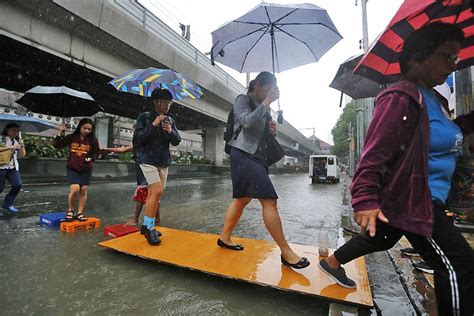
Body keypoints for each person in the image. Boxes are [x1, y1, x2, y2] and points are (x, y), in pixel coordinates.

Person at [319, 23, 474, 316]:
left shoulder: (435, 99)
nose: (452, 65)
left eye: (455, 58)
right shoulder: (400, 97)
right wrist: (364, 198)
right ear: (418, 59)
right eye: (446, 57)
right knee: (460, 267)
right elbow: (373, 154)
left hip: (420, 198)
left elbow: (443, 133)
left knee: (382, 236)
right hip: (416, 200)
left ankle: (331, 263)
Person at [218, 71, 310, 269]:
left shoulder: (263, 106)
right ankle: (286, 252)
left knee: (242, 199)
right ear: (257, 85)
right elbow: (246, 122)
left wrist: (270, 129)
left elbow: (257, 129)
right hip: (243, 154)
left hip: (256, 156)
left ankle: (224, 237)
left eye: (273, 89)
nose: (271, 92)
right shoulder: (242, 99)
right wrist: (267, 102)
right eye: (268, 88)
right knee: (269, 200)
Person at [133, 88, 181, 245]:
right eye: (163, 102)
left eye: (169, 103)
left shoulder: (170, 120)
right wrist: (153, 125)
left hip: (163, 161)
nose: (167, 106)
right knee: (157, 190)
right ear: (155, 102)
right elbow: (137, 140)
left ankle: (146, 226)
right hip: (147, 159)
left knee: (155, 195)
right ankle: (150, 228)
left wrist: (170, 131)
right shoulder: (144, 117)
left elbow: (177, 140)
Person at [53, 119, 101, 222]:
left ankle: (80, 213)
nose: (87, 131)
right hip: (73, 167)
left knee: (83, 190)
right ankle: (70, 210)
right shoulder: (72, 137)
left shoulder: (92, 140)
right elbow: (57, 145)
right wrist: (61, 133)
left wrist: (91, 158)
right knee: (75, 189)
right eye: (85, 128)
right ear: (79, 127)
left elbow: (97, 152)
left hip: (86, 168)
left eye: (89, 129)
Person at [102, 144, 161, 226]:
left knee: (147, 195)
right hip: (143, 175)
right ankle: (155, 219)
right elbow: (122, 149)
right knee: (152, 196)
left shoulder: (150, 146)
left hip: (147, 175)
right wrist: (105, 149)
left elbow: (123, 150)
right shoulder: (139, 145)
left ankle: (136, 219)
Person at [0, 123, 26, 214]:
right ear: (7, 130)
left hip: (12, 167)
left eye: (17, 131)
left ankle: (8, 204)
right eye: (13, 130)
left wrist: (22, 145)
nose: (15, 132)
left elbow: (22, 155)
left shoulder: (16, 141)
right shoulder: (1, 138)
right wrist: (11, 147)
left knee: (17, 185)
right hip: (1, 167)